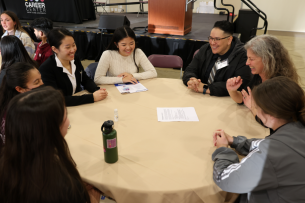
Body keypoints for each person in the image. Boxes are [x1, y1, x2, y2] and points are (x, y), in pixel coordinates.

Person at [0, 86, 102, 203]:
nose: (68, 121)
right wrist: (94, 199)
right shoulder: (59, 185)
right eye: (65, 117)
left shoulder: (7, 166)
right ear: (50, 130)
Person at [212, 76, 305, 203]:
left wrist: (222, 149)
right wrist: (235, 141)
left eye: (256, 107)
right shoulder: (297, 127)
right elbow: (268, 144)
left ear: (269, 114)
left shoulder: (270, 155)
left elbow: (224, 178)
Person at [226, 35, 299, 117]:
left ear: (267, 59)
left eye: (251, 59)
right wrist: (232, 90)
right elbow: (244, 99)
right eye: (247, 58)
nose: (247, 63)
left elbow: (271, 121)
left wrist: (252, 107)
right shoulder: (259, 75)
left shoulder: (280, 86)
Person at [40, 28, 108, 107]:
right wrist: (91, 97)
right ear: (55, 49)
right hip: (62, 109)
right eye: (67, 47)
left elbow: (84, 79)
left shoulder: (74, 58)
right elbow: (57, 99)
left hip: (78, 105)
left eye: (74, 45)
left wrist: (96, 89)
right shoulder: (46, 69)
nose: (73, 50)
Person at [182, 21, 251, 96]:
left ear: (229, 40)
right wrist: (191, 80)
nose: (212, 42)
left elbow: (240, 85)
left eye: (217, 39)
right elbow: (190, 69)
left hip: (226, 101)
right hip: (200, 95)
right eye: (211, 38)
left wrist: (206, 88)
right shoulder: (206, 49)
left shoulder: (243, 56)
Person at [0, 62, 43, 150]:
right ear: (20, 89)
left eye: (41, 79)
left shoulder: (9, 101)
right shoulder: (21, 113)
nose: (42, 83)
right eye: (36, 82)